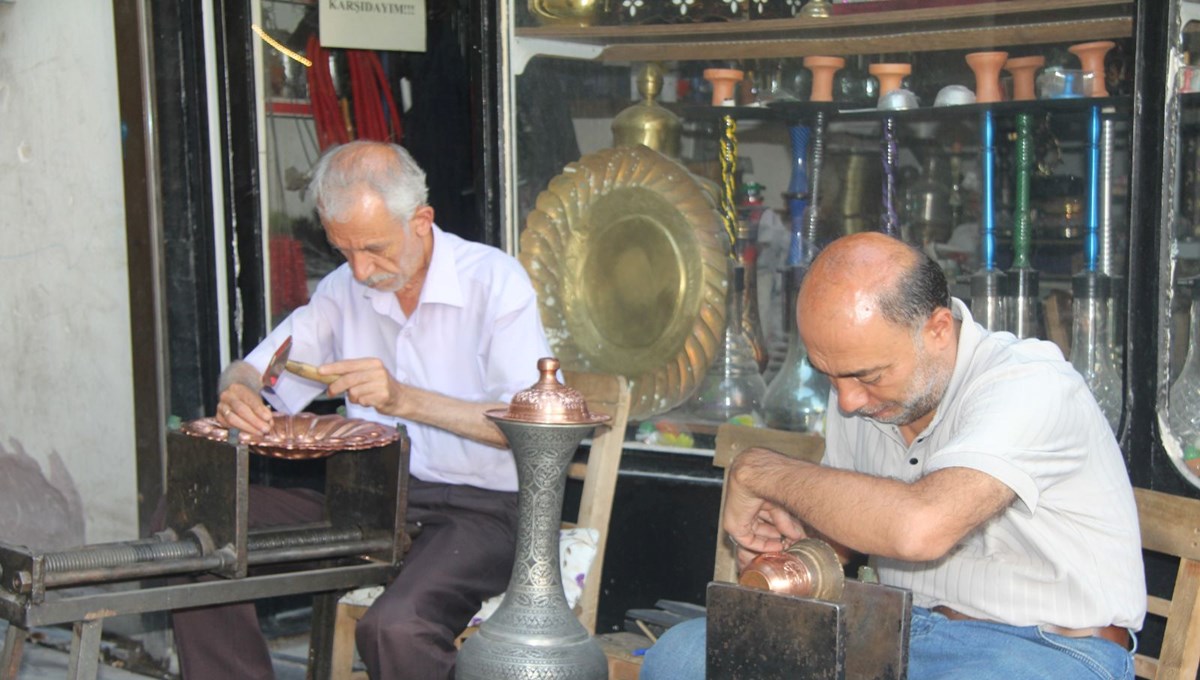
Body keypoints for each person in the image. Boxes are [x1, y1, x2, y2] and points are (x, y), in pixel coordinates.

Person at [640, 232, 1145, 679]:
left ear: (938, 329)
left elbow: (920, 527)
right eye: (829, 376)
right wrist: (789, 549)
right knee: (681, 657)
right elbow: (844, 539)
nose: (847, 400)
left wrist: (760, 471)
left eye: (868, 375)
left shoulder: (1031, 385)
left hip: (1047, 649)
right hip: (898, 632)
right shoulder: (859, 395)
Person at [174, 140, 553, 680]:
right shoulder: (342, 290)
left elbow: (533, 426)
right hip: (374, 499)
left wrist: (403, 399)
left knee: (394, 628)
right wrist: (239, 390)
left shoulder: (494, 282)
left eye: (374, 248)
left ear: (421, 221)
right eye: (343, 250)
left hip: (485, 510)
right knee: (196, 523)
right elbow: (257, 368)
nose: (360, 270)